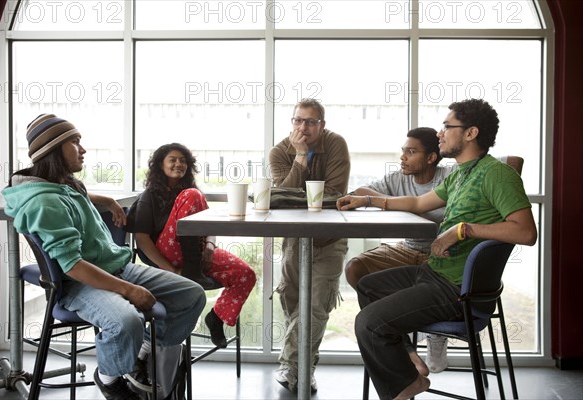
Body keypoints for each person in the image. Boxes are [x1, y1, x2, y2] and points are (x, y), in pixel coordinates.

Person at [337, 98, 537, 400]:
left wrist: (463, 230)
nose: (440, 133)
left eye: (447, 126)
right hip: (433, 272)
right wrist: (368, 200)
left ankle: (403, 387)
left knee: (367, 323)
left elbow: (526, 232)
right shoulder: (460, 174)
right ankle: (407, 365)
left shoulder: (496, 174)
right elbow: (418, 202)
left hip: (457, 288)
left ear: (470, 133)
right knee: (367, 285)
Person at [2, 114, 206, 400]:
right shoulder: (43, 202)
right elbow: (72, 265)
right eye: (75, 142)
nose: (82, 149)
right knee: (126, 320)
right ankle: (109, 379)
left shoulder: (64, 185)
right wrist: (129, 290)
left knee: (192, 294)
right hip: (80, 283)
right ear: (53, 149)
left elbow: (72, 197)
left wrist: (107, 200)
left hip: (115, 268)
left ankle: (141, 355)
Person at [344, 127, 455, 375]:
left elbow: (509, 163)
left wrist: (409, 207)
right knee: (355, 269)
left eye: (411, 151)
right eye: (403, 151)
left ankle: (433, 333)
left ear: (431, 158)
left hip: (439, 256)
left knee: (429, 285)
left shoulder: (450, 176)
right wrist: (394, 203)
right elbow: (361, 192)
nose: (403, 157)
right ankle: (404, 346)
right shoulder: (397, 178)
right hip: (407, 249)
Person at [131, 143, 256, 348]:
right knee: (191, 195)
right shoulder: (150, 196)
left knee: (245, 274)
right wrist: (171, 270)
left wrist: (209, 247)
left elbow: (209, 226)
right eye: (172, 159)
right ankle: (191, 273)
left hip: (196, 257)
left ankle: (216, 318)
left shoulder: (192, 192)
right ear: (160, 165)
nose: (179, 163)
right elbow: (142, 240)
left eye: (183, 161)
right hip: (167, 255)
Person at [269, 98, 351, 394]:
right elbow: (281, 198)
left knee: (316, 306)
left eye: (311, 122)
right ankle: (299, 367)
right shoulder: (280, 151)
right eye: (297, 120)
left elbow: (334, 194)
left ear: (322, 125)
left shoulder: (336, 144)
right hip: (293, 240)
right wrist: (300, 157)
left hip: (329, 240)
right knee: (292, 305)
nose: (303, 127)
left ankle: (297, 368)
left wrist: (291, 198)